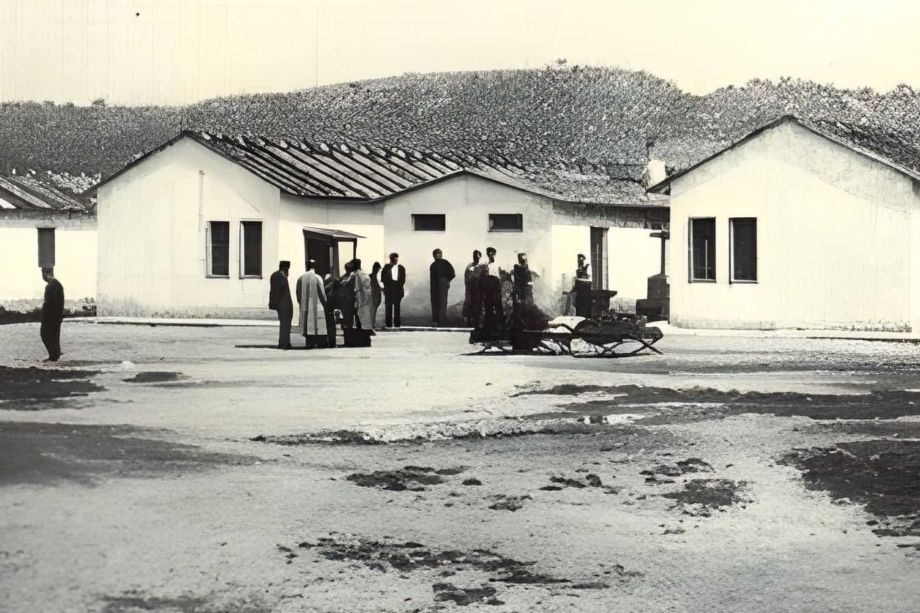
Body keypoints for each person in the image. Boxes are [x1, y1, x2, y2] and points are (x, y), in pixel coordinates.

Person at [295, 260, 328, 349]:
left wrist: (301, 303)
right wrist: (325, 304)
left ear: (306, 266)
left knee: (307, 325)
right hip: (318, 305)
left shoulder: (301, 278)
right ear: (315, 266)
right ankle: (320, 343)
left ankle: (309, 343)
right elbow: (322, 293)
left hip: (305, 306)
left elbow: (298, 293)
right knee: (318, 324)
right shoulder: (318, 278)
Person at [40, 267, 64, 361]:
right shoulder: (56, 285)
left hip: (51, 317)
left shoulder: (52, 286)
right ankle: (54, 355)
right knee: (53, 335)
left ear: (45, 274)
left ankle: (54, 356)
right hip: (55, 316)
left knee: (46, 334)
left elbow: (51, 303)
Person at [268, 260, 293, 349]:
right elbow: (277, 291)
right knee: (285, 324)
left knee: (285, 324)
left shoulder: (276, 275)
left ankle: (284, 342)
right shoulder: (280, 277)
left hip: (282, 304)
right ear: (284, 268)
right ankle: (284, 343)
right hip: (283, 305)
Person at [429, 249, 455, 326]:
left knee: (442, 302)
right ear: (433, 255)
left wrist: (448, 281)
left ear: (441, 254)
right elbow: (432, 277)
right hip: (434, 285)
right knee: (434, 302)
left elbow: (452, 273)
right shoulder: (432, 265)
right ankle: (435, 321)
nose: (436, 255)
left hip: (443, 284)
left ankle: (442, 321)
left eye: (438, 253)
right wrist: (432, 287)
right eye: (435, 254)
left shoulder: (445, 263)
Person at [480, 247, 503, 334]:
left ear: (494, 254)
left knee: (498, 306)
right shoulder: (484, 264)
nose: (491, 255)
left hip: (496, 285)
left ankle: (500, 327)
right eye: (489, 253)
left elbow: (500, 276)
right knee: (488, 306)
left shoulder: (498, 264)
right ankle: (488, 327)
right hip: (488, 285)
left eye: (492, 253)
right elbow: (483, 276)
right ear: (487, 254)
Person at [381, 252, 406, 328]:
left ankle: (397, 323)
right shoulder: (386, 267)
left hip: (398, 288)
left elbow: (403, 279)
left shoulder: (401, 268)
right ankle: (388, 323)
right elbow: (383, 278)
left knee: (397, 306)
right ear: (390, 259)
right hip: (389, 288)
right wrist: (385, 287)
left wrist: (399, 287)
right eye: (393, 259)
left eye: (396, 259)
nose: (395, 260)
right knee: (388, 306)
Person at [462, 250, 483, 327]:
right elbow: (467, 277)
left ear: (480, 257)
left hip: (479, 289)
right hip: (470, 289)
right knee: (469, 303)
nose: (476, 257)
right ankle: (468, 320)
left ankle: (477, 321)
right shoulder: (470, 266)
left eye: (478, 256)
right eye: (475, 256)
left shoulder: (481, 266)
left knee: (478, 305)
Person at [353, 259, 375, 330]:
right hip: (357, 294)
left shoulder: (361, 274)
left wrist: (366, 297)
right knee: (358, 311)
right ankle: (359, 327)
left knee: (362, 312)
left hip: (361, 295)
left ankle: (365, 328)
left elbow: (367, 286)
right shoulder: (355, 273)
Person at [337, 260, 357, 329]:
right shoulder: (352, 278)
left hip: (344, 299)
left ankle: (346, 327)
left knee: (346, 315)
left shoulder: (342, 277)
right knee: (349, 315)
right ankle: (348, 328)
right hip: (349, 299)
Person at [573, 254, 593, 318]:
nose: (579, 262)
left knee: (584, 311)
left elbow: (588, 279)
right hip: (580, 297)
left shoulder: (587, 267)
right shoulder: (578, 271)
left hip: (585, 295)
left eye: (581, 260)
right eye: (578, 260)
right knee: (580, 312)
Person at [323, 273, 338, 348]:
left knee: (329, 324)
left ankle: (330, 341)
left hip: (328, 305)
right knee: (331, 324)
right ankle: (332, 342)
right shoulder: (334, 281)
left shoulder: (325, 283)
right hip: (331, 305)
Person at [370, 261, 383, 328]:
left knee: (373, 310)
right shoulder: (373, 277)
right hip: (374, 295)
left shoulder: (372, 276)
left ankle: (372, 325)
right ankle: (372, 325)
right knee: (373, 311)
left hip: (375, 295)